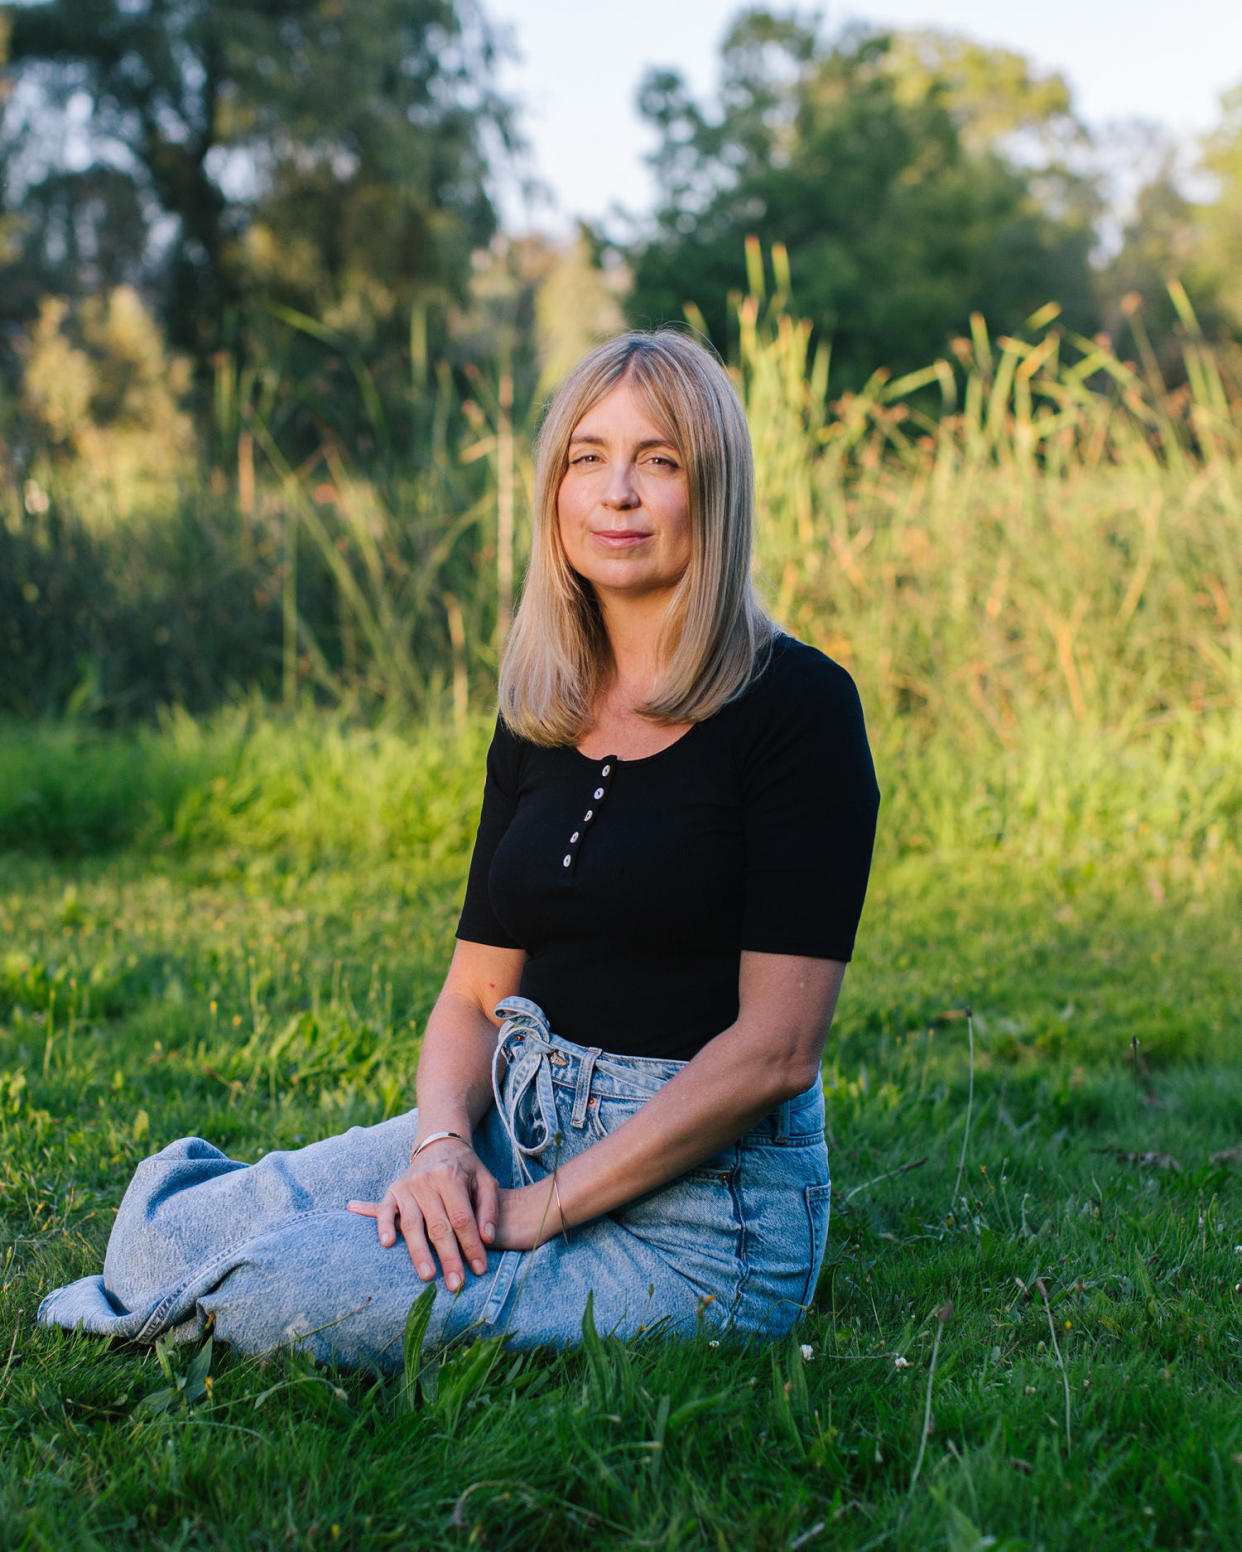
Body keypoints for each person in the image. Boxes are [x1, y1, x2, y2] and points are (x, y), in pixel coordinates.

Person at [38, 330, 879, 1371]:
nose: (617, 491)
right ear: (555, 489)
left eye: (659, 461)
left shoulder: (797, 707)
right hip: (516, 1126)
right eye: (587, 457)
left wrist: (540, 1211)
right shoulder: (544, 704)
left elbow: (774, 1054)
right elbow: (476, 995)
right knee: (169, 1236)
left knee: (284, 1286)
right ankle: (211, 1262)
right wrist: (440, 1149)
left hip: (705, 1223)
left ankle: (247, 1280)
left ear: (715, 490)